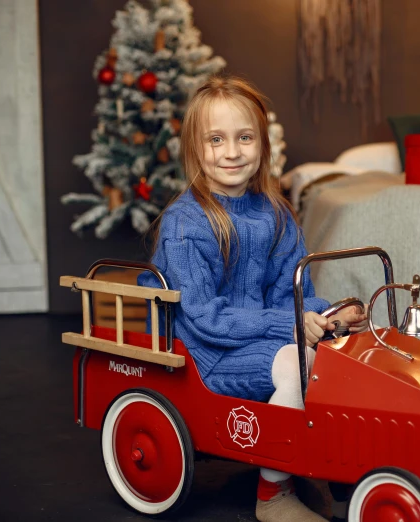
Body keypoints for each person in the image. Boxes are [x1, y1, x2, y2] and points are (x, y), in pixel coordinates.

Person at [139, 75, 366, 522]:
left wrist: (326, 313)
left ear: (262, 144)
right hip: (205, 352)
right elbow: (204, 317)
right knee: (297, 363)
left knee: (341, 357)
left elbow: (292, 295)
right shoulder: (187, 224)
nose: (231, 152)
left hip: (256, 340)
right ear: (195, 149)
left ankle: (339, 463)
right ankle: (272, 497)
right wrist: (292, 328)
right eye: (216, 139)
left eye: (244, 138)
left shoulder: (277, 214)